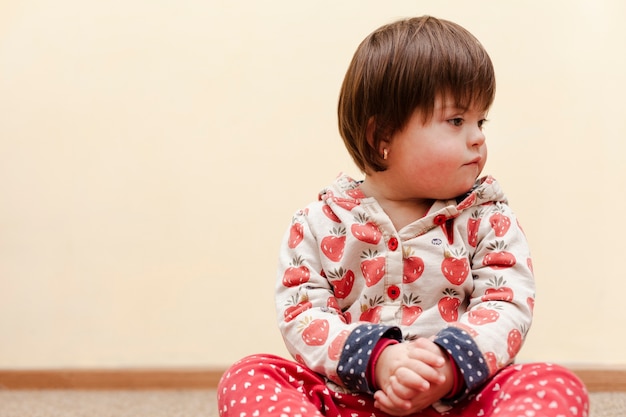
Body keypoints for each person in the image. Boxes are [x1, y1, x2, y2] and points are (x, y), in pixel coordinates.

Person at [217, 15, 589, 417]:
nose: (478, 136)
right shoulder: (317, 223)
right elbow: (303, 313)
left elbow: (505, 304)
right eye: (456, 120)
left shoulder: (489, 219)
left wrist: (444, 370)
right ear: (383, 139)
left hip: (456, 401)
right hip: (350, 400)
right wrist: (379, 362)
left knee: (552, 382)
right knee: (250, 375)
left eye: (481, 120)